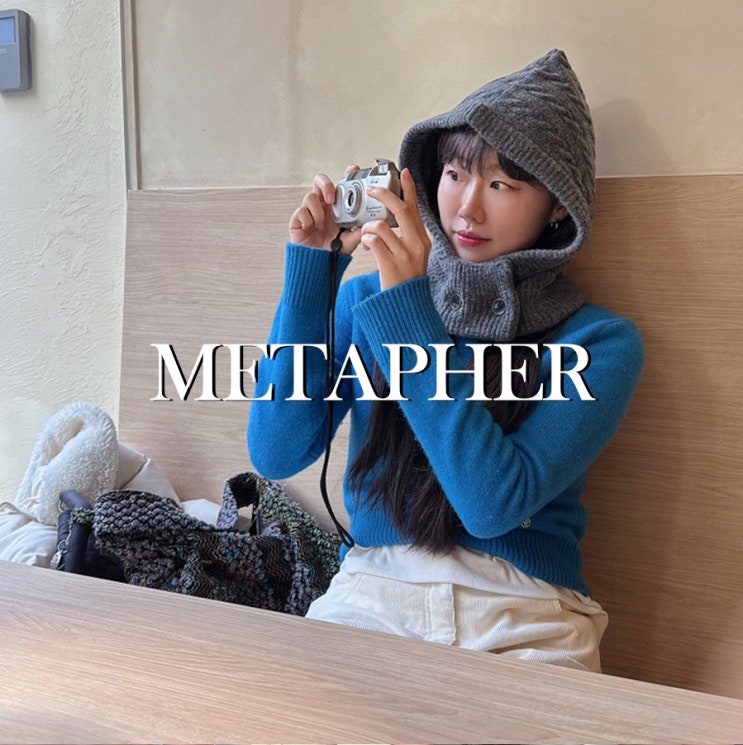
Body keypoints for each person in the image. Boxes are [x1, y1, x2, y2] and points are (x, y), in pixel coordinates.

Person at [247, 49, 644, 672]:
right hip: (373, 592)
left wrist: (410, 316)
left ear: (558, 206)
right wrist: (311, 274)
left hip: (526, 612)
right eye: (455, 174)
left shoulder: (600, 343)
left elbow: (490, 505)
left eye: (502, 185)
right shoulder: (367, 300)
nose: (466, 208)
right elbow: (276, 451)